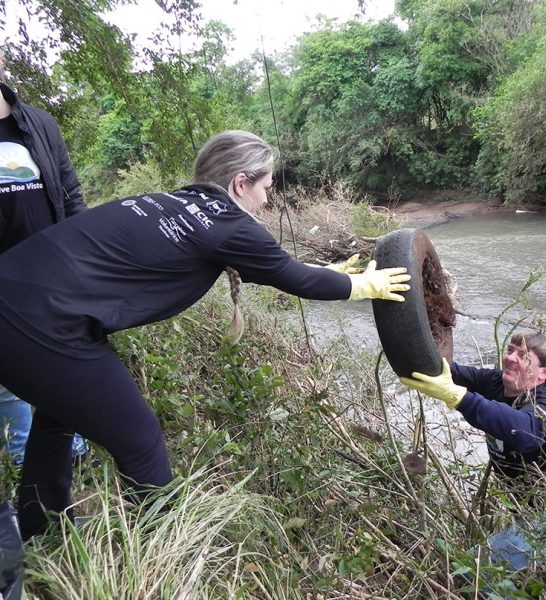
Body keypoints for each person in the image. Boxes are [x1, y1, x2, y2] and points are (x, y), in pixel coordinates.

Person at [0, 129, 411, 540]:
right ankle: (164, 544)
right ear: (240, 183)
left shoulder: (168, 202)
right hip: (43, 326)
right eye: (266, 187)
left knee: (59, 415)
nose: (267, 200)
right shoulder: (230, 224)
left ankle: (40, 529)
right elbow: (297, 279)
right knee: (139, 437)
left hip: (14, 300)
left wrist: (336, 272)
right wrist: (365, 287)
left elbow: (273, 268)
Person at [400, 332, 546, 589]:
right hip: (528, 515)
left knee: (478, 570)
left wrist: (460, 398)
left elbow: (523, 431)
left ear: (543, 373)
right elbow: (443, 370)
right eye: (510, 350)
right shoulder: (495, 383)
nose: (510, 358)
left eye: (522, 356)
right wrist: (405, 342)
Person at [0, 57, 88, 465]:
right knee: (7, 378)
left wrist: (87, 255)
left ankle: (71, 449)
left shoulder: (38, 123)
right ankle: (22, 458)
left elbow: (69, 189)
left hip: (51, 268)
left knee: (62, 357)